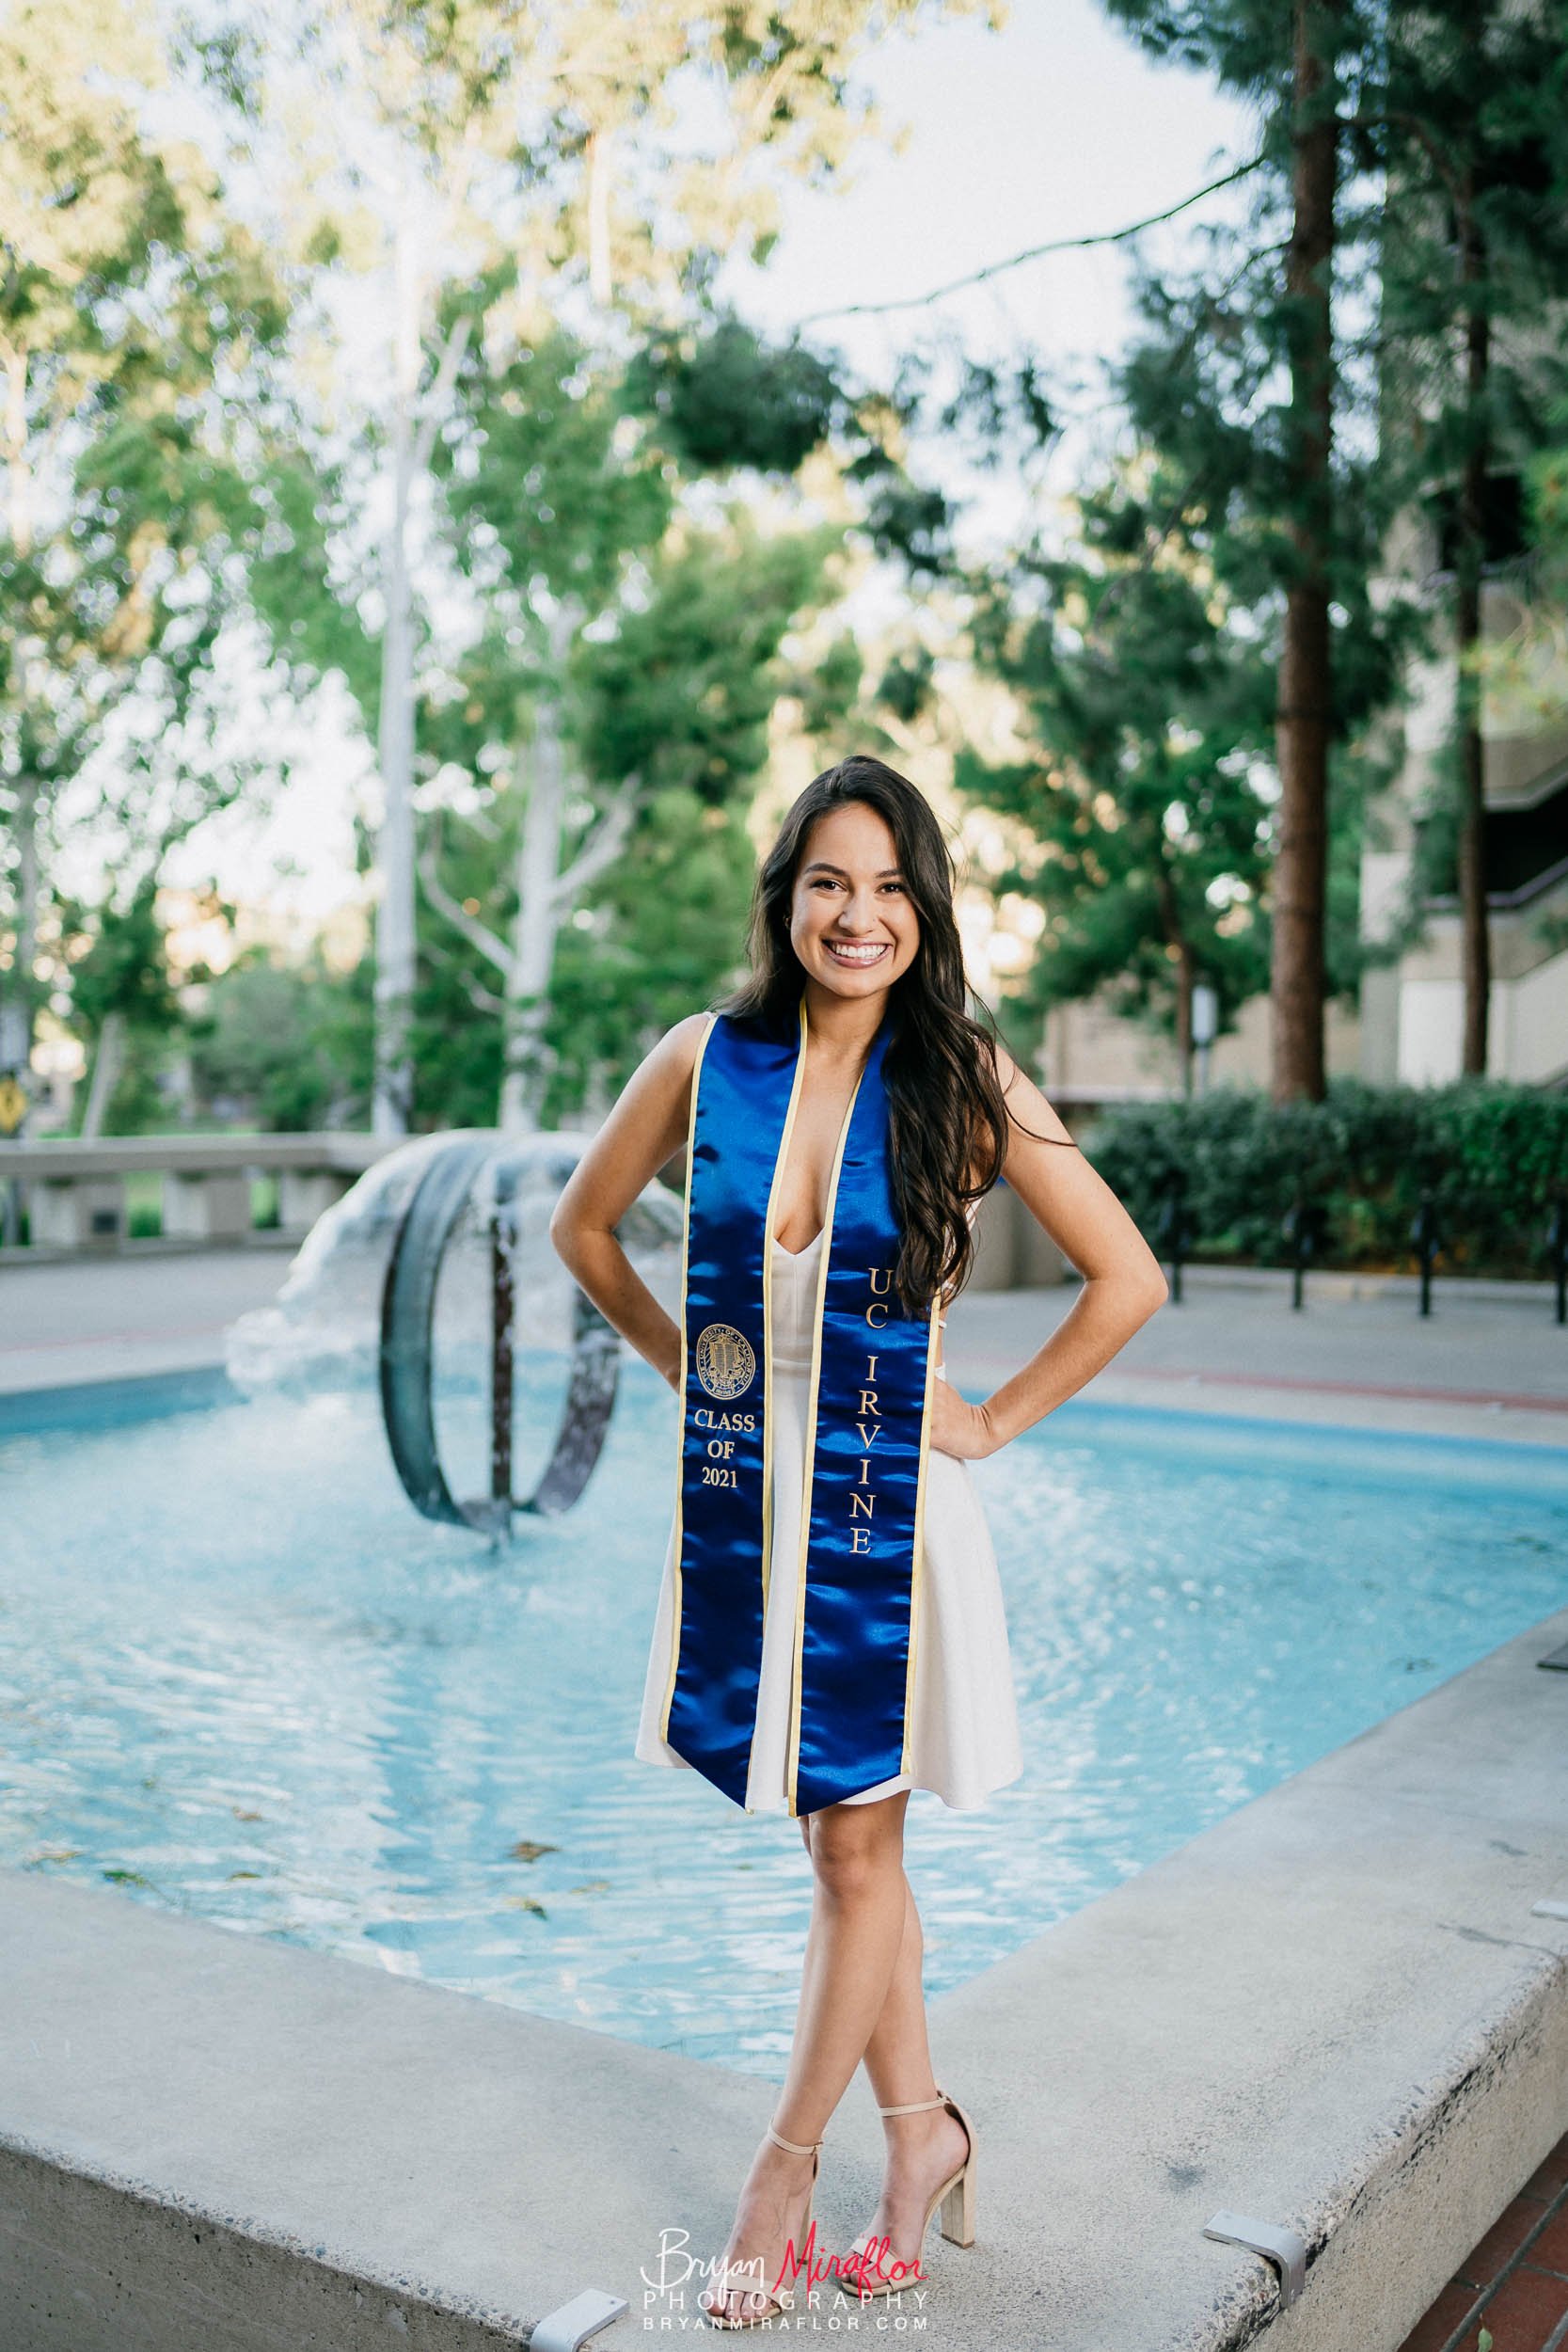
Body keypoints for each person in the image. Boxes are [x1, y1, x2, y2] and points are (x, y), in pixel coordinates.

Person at [550, 754, 1168, 2328]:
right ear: (787, 896)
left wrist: (996, 1416)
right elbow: (586, 1227)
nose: (860, 912)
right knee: (847, 1849)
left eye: (892, 886)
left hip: (890, 1521)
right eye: (831, 879)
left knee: (852, 1852)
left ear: (926, 909)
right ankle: (927, 2138)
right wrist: (689, 1363)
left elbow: (1129, 1278)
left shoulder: (961, 1074)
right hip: (754, 1500)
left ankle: (784, 2171)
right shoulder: (709, 1059)